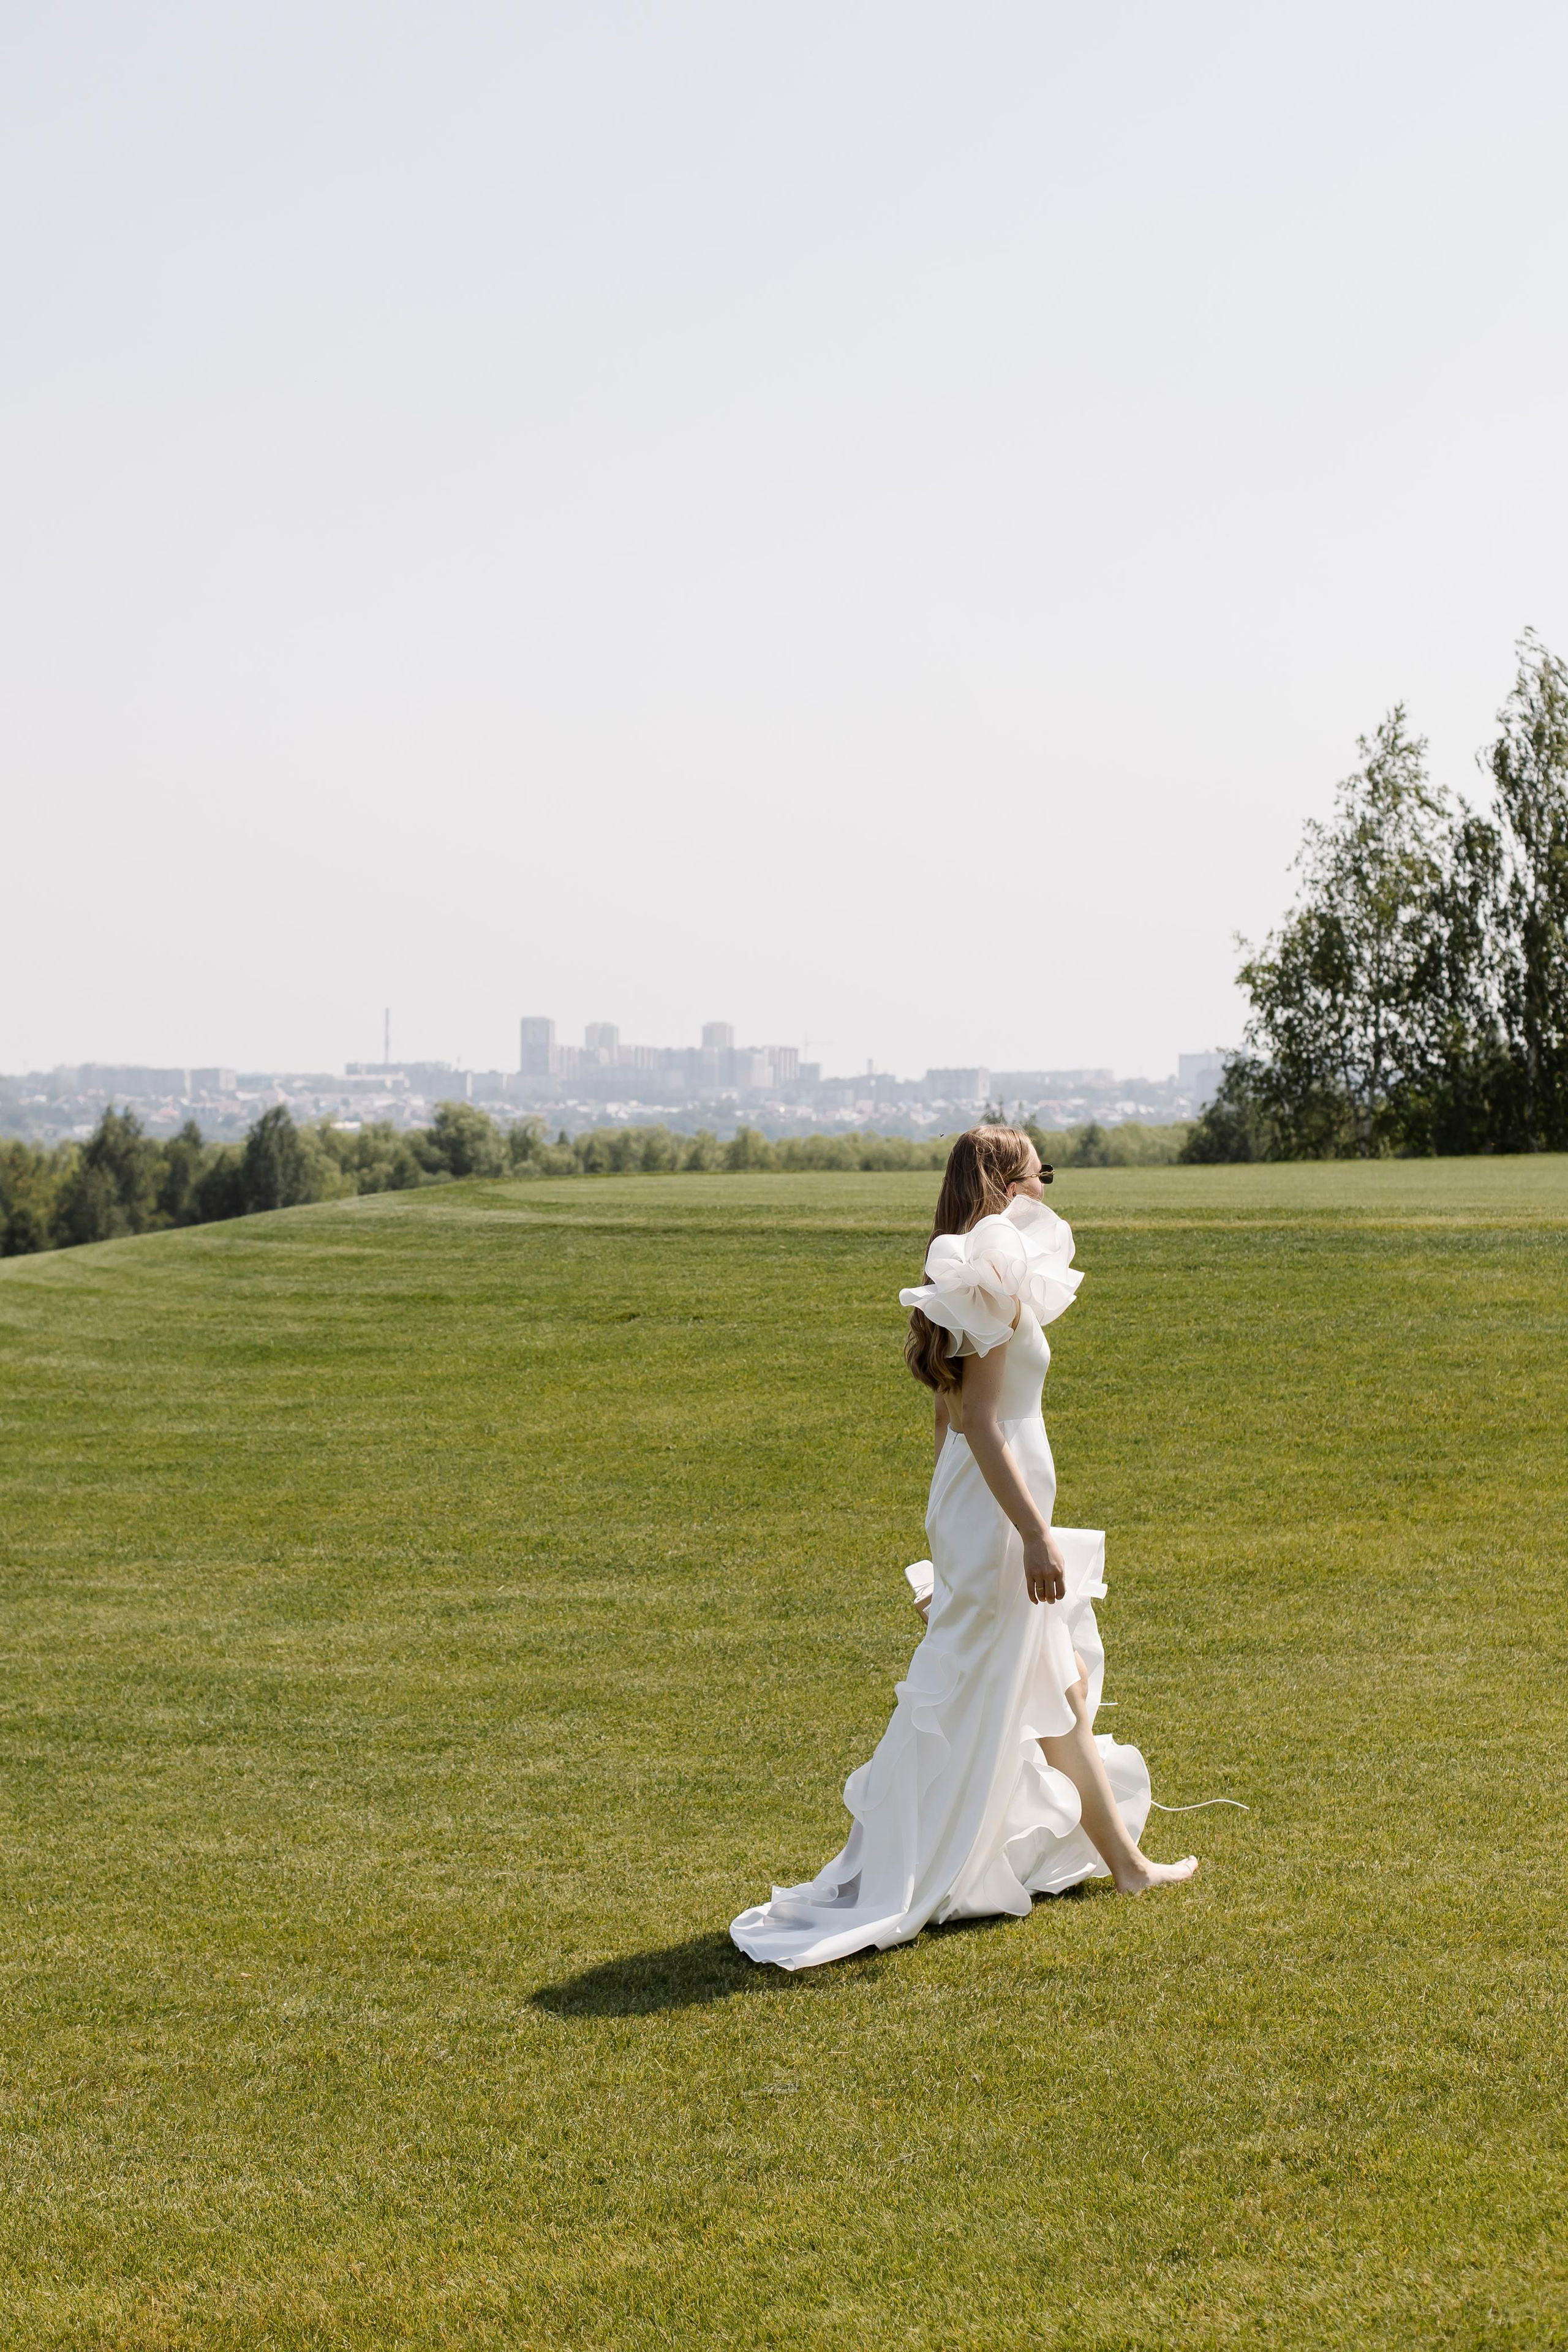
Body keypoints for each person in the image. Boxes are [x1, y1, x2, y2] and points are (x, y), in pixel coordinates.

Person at [731, 1124, 1196, 1971]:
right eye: (1038, 1173)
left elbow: (950, 1425)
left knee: (1060, 1687)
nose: (1048, 1187)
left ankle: (1127, 1867)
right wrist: (1030, 1536)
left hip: (986, 1511)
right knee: (1009, 1689)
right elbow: (976, 1420)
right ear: (1008, 1184)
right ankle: (922, 1866)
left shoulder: (983, 1274)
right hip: (1001, 1515)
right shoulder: (991, 1278)